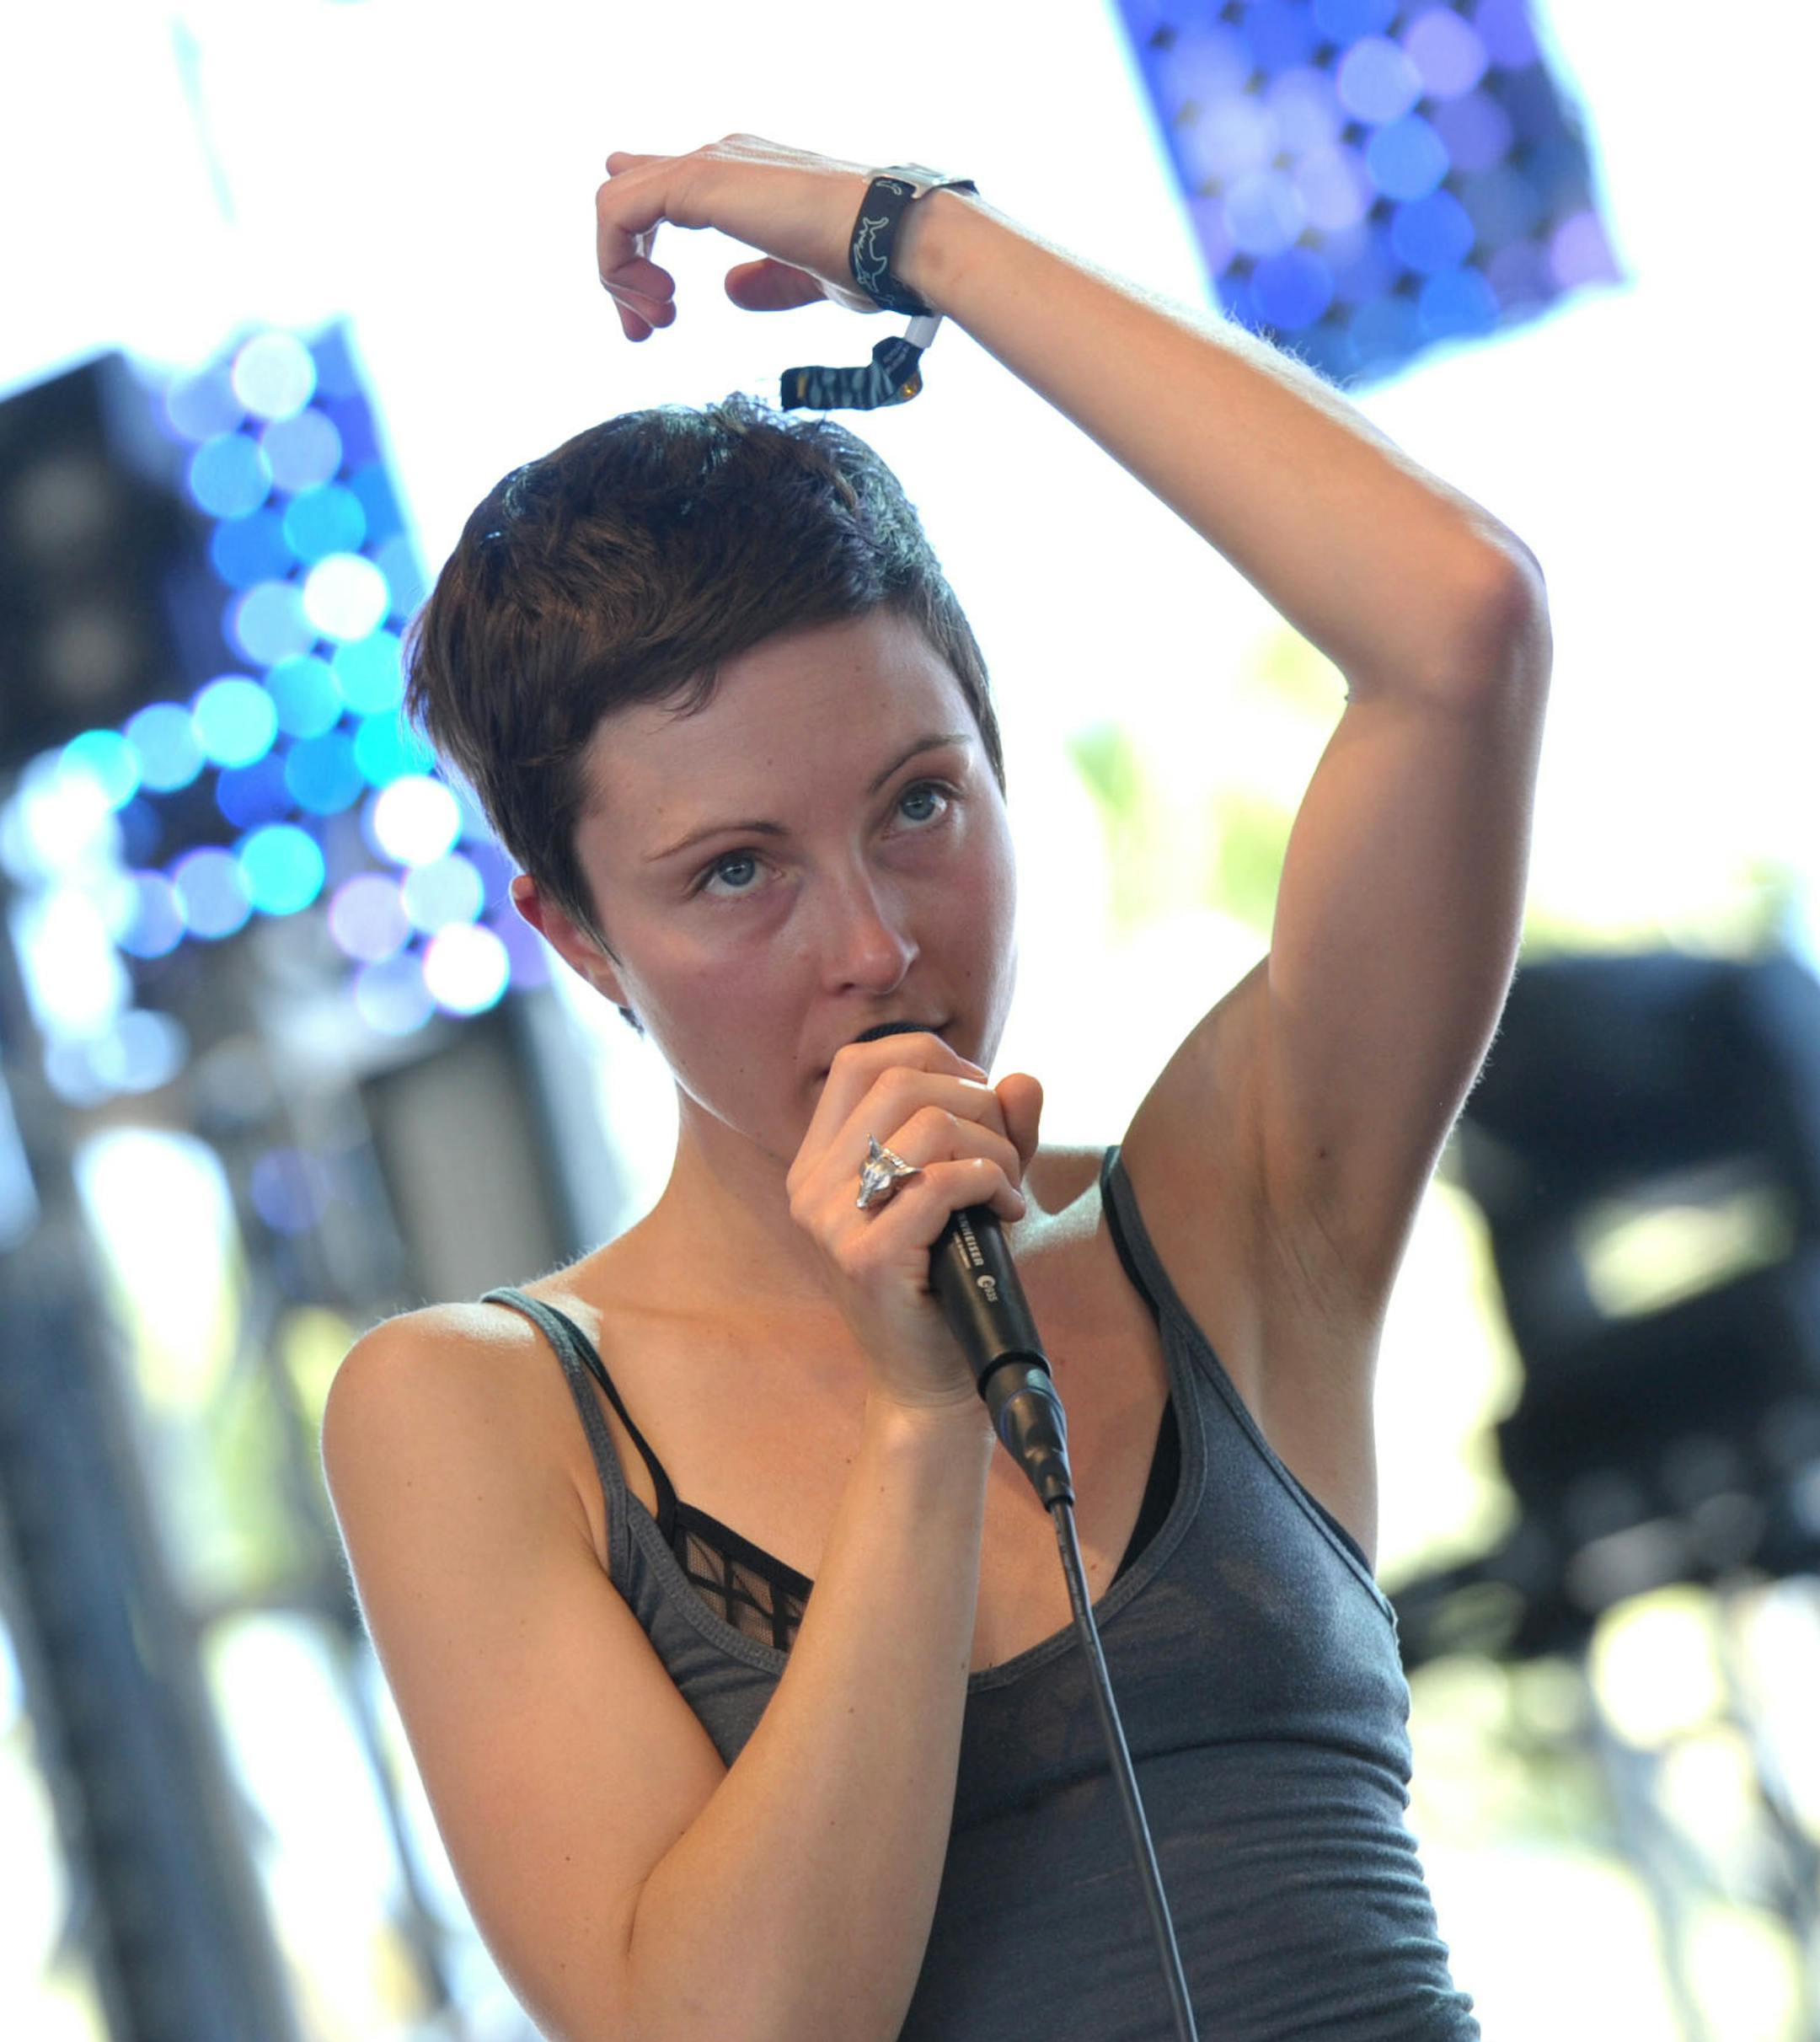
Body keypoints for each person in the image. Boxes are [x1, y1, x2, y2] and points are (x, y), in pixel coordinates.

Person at [321, 133, 1551, 2042]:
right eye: (735, 871)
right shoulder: (477, 1413)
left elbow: (1458, 625)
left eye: (921, 802)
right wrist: (918, 1430)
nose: (877, 945)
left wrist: (922, 242)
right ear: (574, 936)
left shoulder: (1227, 1214)